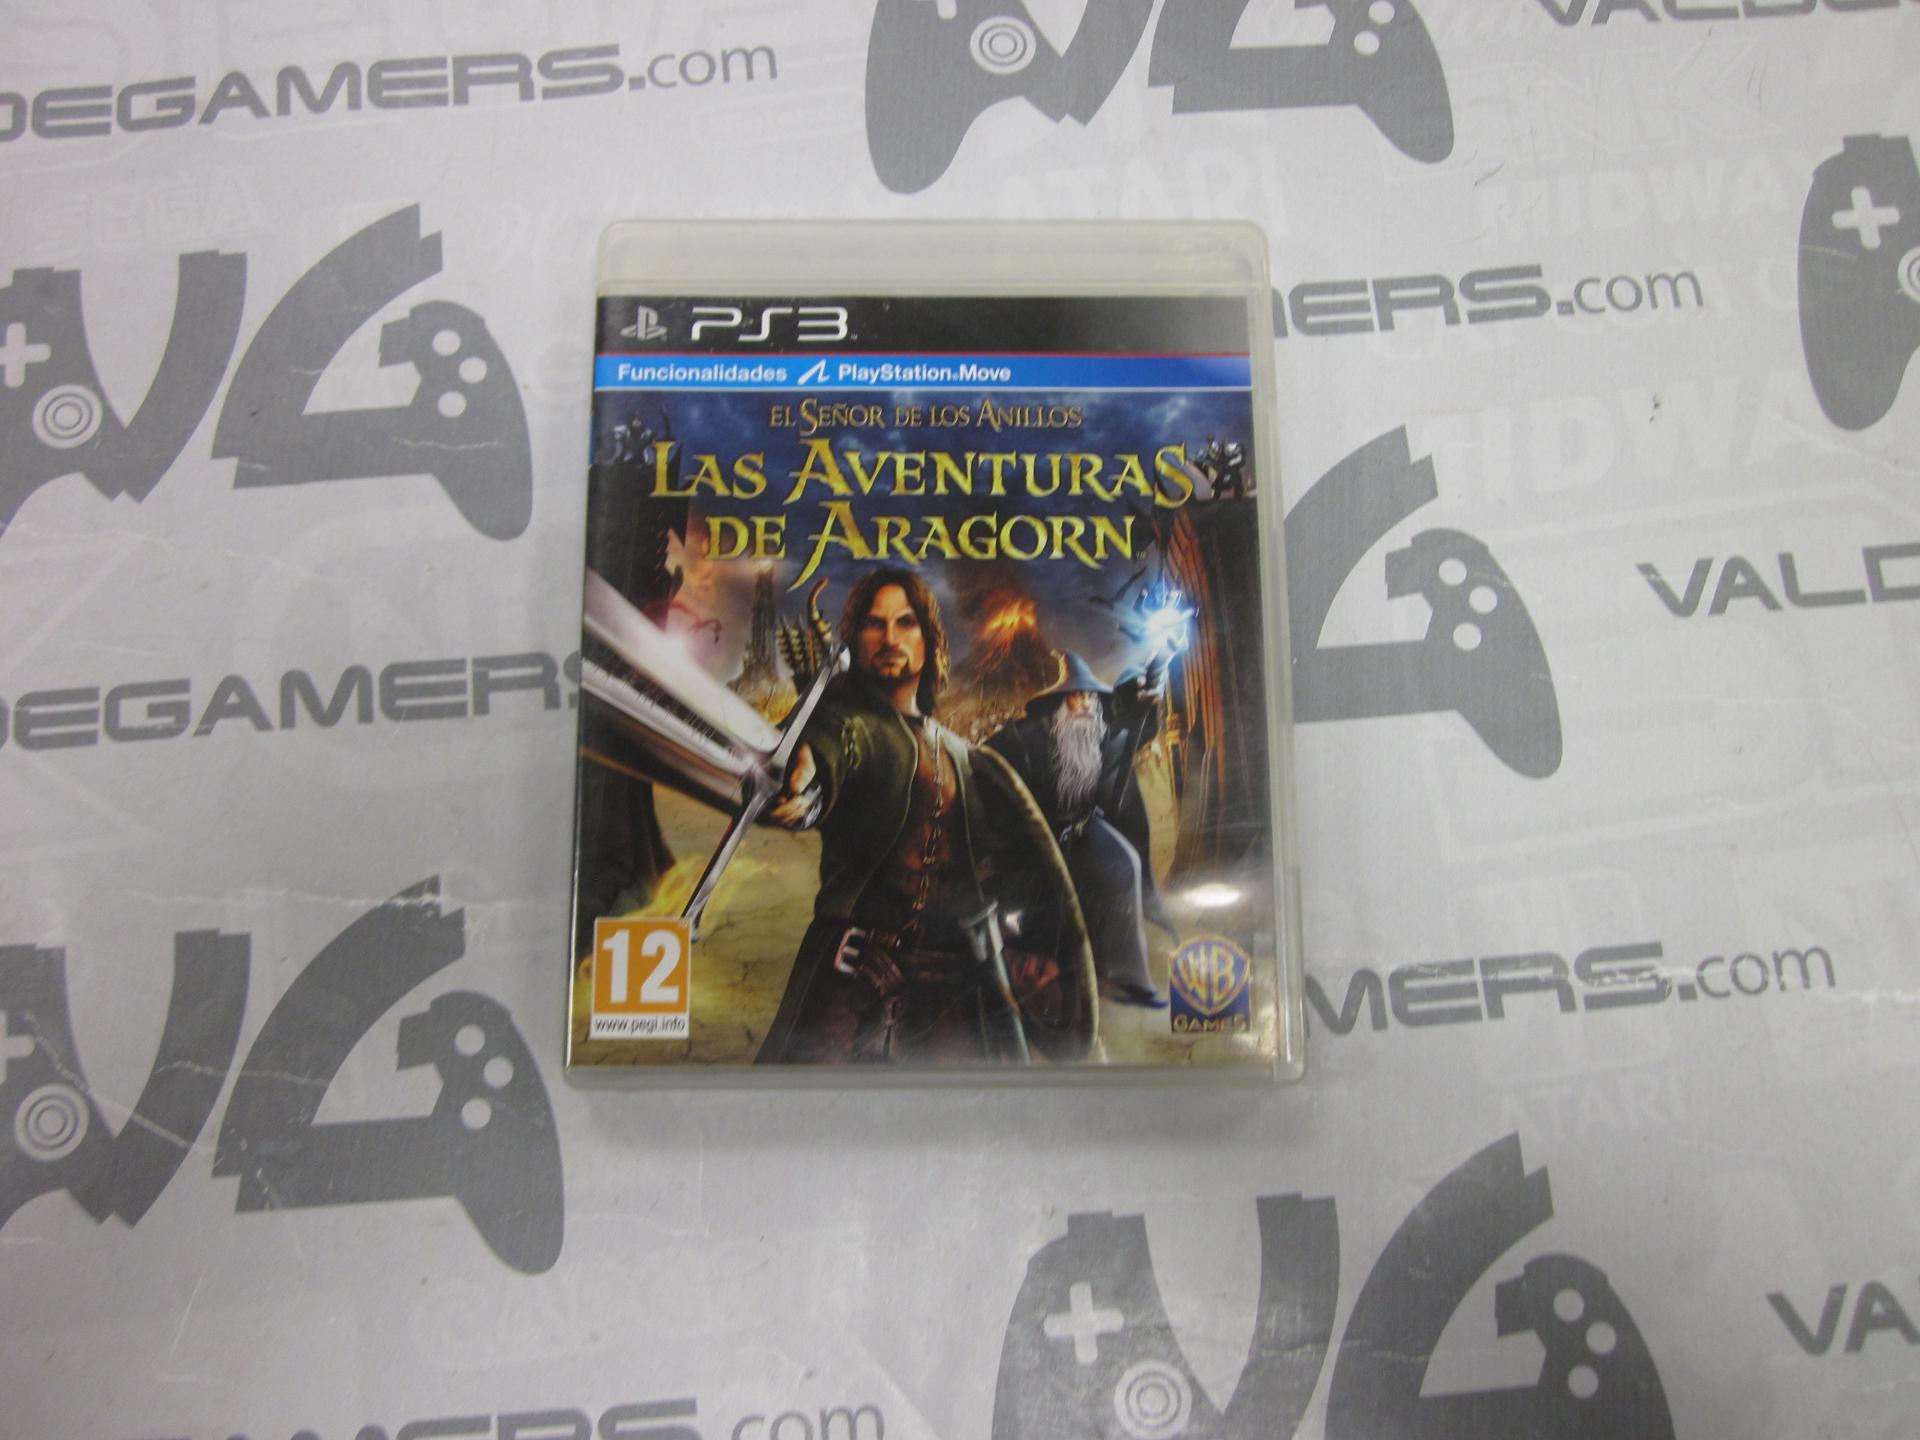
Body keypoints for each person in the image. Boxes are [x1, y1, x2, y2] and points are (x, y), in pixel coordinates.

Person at [758, 567, 1096, 1065]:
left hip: (948, 987)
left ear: (929, 640)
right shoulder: (849, 722)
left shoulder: (961, 755)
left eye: (905, 622)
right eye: (874, 624)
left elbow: (990, 868)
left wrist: (1020, 945)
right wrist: (809, 782)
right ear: (855, 639)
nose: (889, 638)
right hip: (852, 979)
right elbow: (835, 743)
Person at [985, 652, 1172, 1008]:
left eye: (1091, 696)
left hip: (1084, 827)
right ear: (1060, 701)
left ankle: (1128, 974)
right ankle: (1059, 972)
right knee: (1045, 904)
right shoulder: (1024, 737)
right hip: (1035, 839)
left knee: (1125, 864)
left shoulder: (1099, 733)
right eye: (1077, 695)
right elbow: (986, 762)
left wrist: (1149, 696)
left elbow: (1134, 731)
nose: (1086, 702)